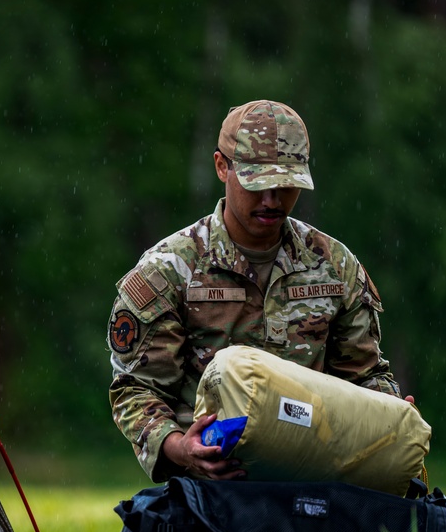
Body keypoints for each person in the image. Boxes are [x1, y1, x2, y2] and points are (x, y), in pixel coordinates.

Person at [107, 99, 404, 484]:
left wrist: (390, 408)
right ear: (221, 167)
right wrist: (181, 448)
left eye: (286, 185)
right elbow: (136, 390)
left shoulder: (335, 265)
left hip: (314, 483)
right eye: (257, 183)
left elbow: (363, 376)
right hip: (211, 489)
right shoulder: (168, 271)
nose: (271, 200)